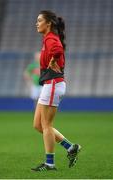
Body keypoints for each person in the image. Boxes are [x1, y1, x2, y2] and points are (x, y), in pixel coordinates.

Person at [31, 10, 81, 171]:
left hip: (53, 84)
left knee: (46, 125)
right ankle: (71, 147)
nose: (36, 23)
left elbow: (58, 50)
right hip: (49, 84)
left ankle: (49, 164)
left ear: (49, 23)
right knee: (38, 125)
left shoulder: (51, 38)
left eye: (39, 20)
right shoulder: (47, 39)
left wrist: (53, 60)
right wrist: (52, 61)